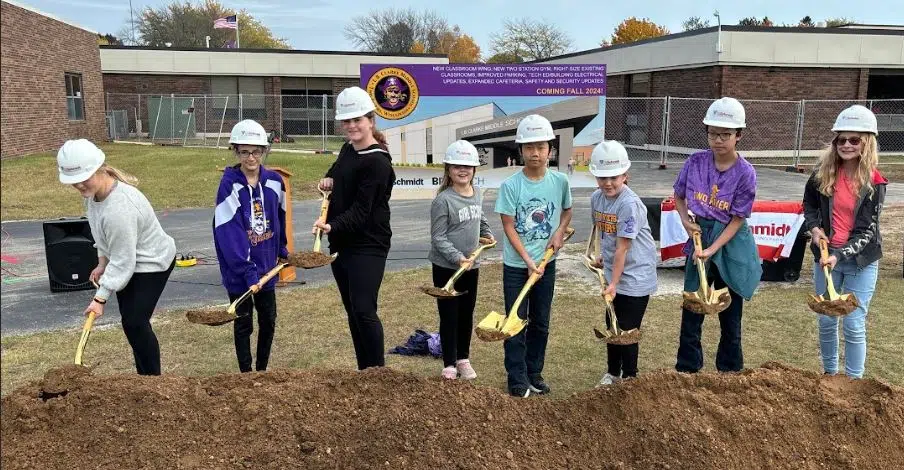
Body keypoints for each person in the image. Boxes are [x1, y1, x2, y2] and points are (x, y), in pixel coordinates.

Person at [57, 139, 176, 375]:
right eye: (74, 182)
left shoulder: (120, 209)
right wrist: (102, 262)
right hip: (129, 259)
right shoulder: (94, 195)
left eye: (84, 178)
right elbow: (102, 234)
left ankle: (153, 382)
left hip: (153, 262)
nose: (80, 186)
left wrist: (100, 299)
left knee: (135, 322)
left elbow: (123, 261)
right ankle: (144, 377)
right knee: (131, 322)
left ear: (100, 168)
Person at [673, 97, 762, 374]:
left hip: (730, 242)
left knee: (730, 313)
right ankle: (687, 369)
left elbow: (738, 218)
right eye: (713, 133)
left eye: (725, 134)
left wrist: (713, 250)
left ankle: (730, 371)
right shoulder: (696, 162)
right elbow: (678, 196)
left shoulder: (746, 173)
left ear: (739, 136)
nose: (718, 140)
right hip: (700, 235)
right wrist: (688, 225)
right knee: (692, 308)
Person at [314, 86, 395, 370]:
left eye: (357, 120)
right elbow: (338, 174)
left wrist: (330, 226)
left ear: (370, 120)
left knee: (364, 309)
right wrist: (327, 180)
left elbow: (362, 211)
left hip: (368, 245)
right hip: (342, 244)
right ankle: (365, 372)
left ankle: (378, 374)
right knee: (352, 311)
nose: (351, 126)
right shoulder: (348, 150)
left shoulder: (377, 162)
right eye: (346, 121)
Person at [803, 105, 886, 379]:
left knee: (853, 323)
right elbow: (810, 205)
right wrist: (815, 229)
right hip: (825, 259)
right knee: (826, 320)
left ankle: (854, 381)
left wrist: (838, 255)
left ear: (867, 143)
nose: (846, 145)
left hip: (859, 263)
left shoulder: (874, 182)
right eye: (841, 139)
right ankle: (829, 375)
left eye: (854, 140)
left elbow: (866, 232)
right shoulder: (822, 172)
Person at [495, 114, 573, 397]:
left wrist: (560, 231)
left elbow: (566, 211)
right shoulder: (511, 186)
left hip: (546, 264)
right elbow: (508, 226)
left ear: (550, 149)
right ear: (520, 151)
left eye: (540, 147)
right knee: (515, 320)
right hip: (517, 266)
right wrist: (528, 262)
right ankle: (516, 377)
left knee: (541, 321)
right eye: (529, 147)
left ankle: (534, 372)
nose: (535, 153)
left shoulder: (560, 181)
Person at [213, 119, 288, 373]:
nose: (251, 157)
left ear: (264, 151)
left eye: (256, 151)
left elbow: (280, 218)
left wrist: (282, 251)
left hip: (266, 270)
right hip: (240, 273)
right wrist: (247, 272)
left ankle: (262, 370)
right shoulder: (229, 185)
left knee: (269, 320)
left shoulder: (275, 182)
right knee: (244, 322)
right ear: (236, 151)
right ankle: (245, 375)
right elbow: (229, 233)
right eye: (244, 151)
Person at [588, 140, 658, 386]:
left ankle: (630, 378)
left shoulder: (629, 204)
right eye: (602, 177)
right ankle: (612, 373)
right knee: (611, 323)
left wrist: (614, 283)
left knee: (627, 330)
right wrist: (601, 258)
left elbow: (623, 247)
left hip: (635, 275)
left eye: (614, 177)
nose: (608, 183)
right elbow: (604, 232)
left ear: (625, 175)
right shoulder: (597, 198)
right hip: (613, 273)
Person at [428, 140, 494, 380]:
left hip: (471, 266)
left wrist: (487, 233)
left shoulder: (477, 194)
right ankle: (449, 363)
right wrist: (456, 258)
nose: (462, 170)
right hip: (446, 267)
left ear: (474, 169)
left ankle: (463, 358)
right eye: (457, 166)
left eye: (467, 166)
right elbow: (438, 237)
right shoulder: (443, 200)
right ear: (448, 170)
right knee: (449, 315)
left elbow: (480, 218)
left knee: (466, 312)